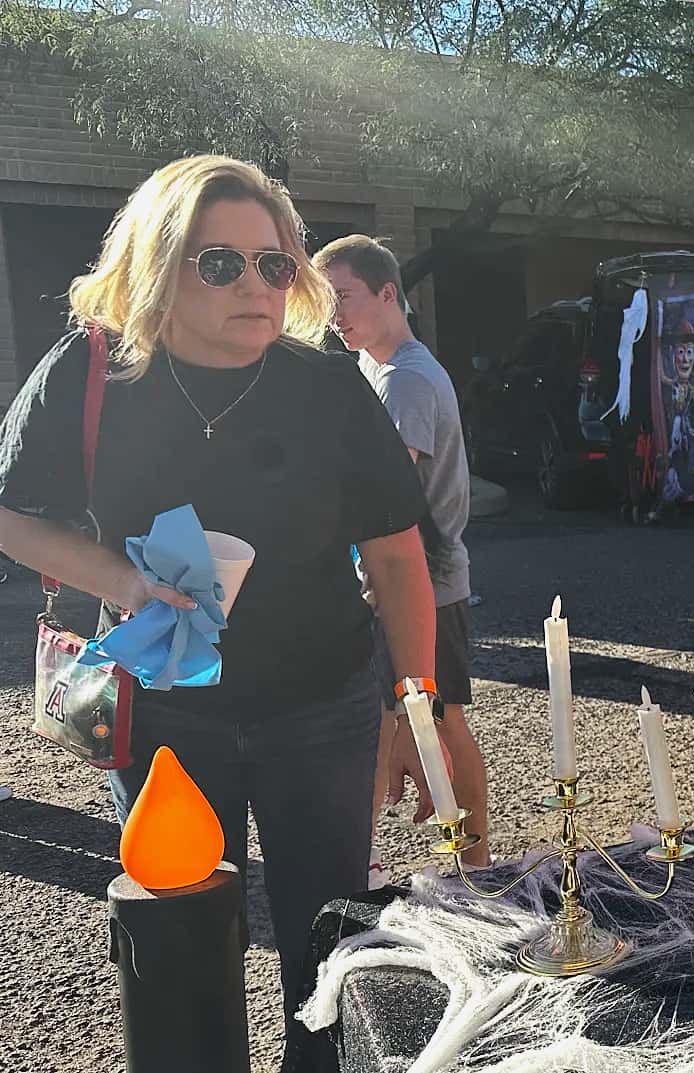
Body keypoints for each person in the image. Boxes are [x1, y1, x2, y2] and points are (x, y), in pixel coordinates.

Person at [0, 155, 435, 1040]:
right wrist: (122, 582)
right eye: (220, 262)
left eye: (275, 264)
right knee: (183, 943)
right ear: (160, 264)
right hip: (165, 715)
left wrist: (418, 709)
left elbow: (397, 556)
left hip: (322, 704)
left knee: (334, 948)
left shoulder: (325, 387)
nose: (257, 284)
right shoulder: (93, 374)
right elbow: (9, 514)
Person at [314, 234, 488, 872]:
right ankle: (355, 866)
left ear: (389, 294)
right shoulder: (373, 370)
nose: (335, 314)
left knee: (440, 725)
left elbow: (390, 503)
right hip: (397, 585)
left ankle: (477, 864)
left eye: (345, 297)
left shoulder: (407, 381)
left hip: (425, 587)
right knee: (384, 727)